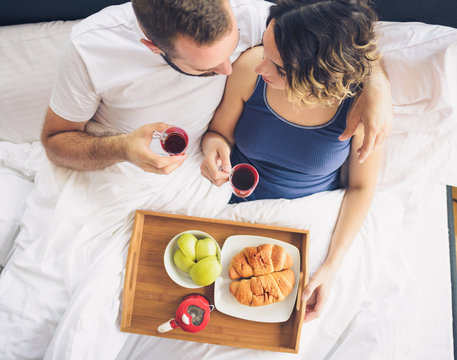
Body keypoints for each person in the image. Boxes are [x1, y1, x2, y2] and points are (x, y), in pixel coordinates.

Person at [0, 0, 390, 358]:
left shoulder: (262, 22)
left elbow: (338, 32)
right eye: (206, 69)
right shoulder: (94, 47)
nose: (231, 69)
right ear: (154, 47)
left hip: (280, 208)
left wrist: (375, 86)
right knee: (80, 306)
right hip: (169, 181)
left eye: (233, 47)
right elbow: (55, 140)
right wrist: (132, 148)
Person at [200, 0, 386, 321]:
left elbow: (361, 188)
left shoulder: (358, 108)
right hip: (229, 204)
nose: (261, 67)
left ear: (320, 74)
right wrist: (214, 146)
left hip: (305, 222)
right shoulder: (251, 69)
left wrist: (330, 266)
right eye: (266, 50)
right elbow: (219, 132)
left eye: (280, 67)